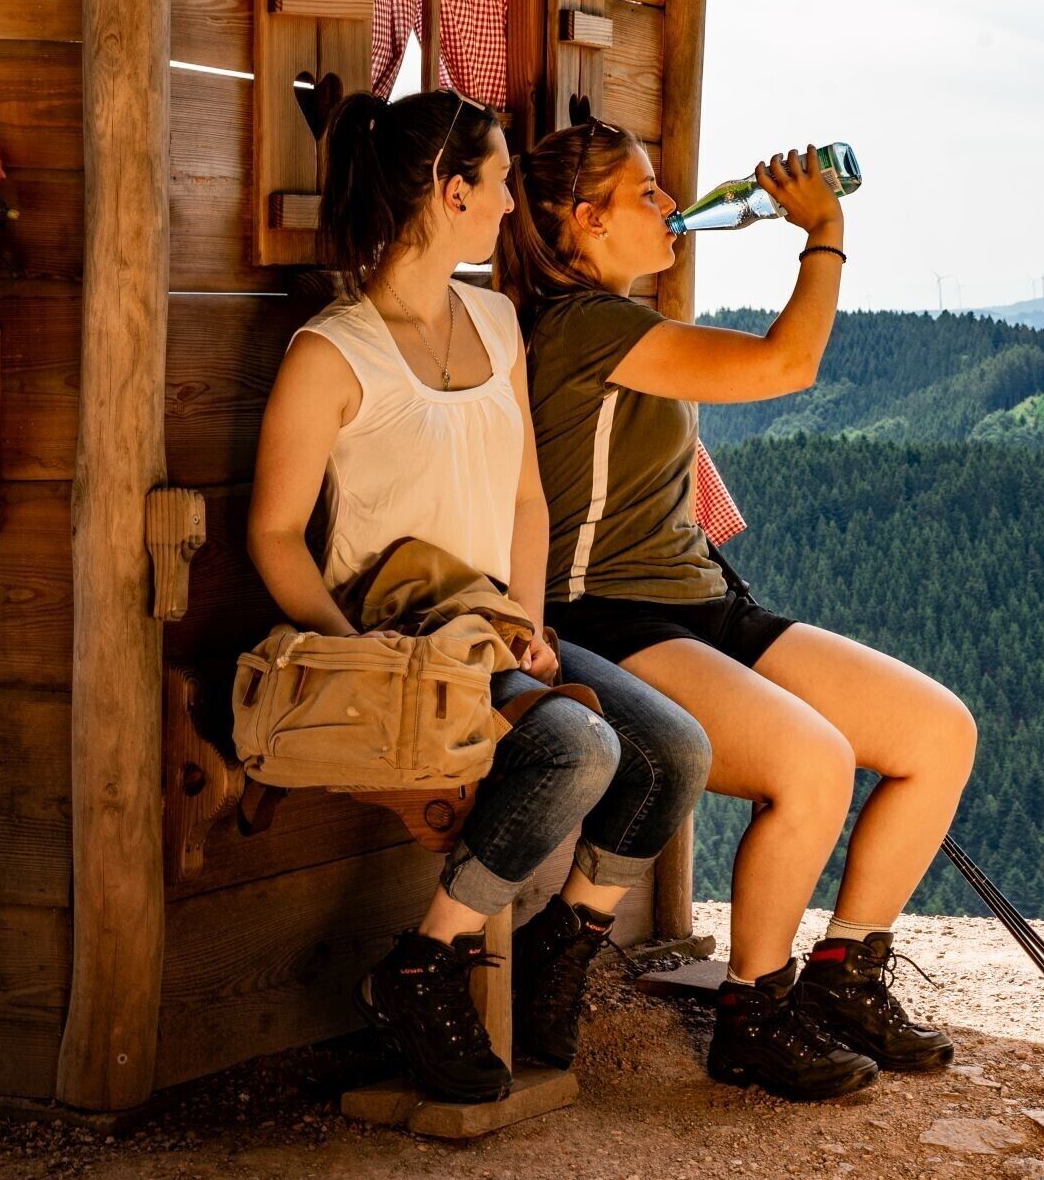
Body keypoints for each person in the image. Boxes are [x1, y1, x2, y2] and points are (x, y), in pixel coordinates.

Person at [246, 88, 711, 1105]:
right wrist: (356, 651)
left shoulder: (498, 322)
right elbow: (274, 537)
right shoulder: (332, 353)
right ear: (451, 193)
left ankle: (558, 946)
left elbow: (527, 498)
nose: (509, 205)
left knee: (674, 749)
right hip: (395, 639)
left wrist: (530, 624)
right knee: (578, 745)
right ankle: (424, 965)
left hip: (495, 629)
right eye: (498, 182)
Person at [497, 123, 978, 1102]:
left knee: (938, 733)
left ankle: (847, 975)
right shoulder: (583, 326)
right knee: (812, 763)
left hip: (698, 603)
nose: (670, 204)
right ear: (586, 221)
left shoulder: (624, 319)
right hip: (608, 615)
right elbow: (782, 365)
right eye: (645, 192)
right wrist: (823, 232)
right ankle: (755, 1013)